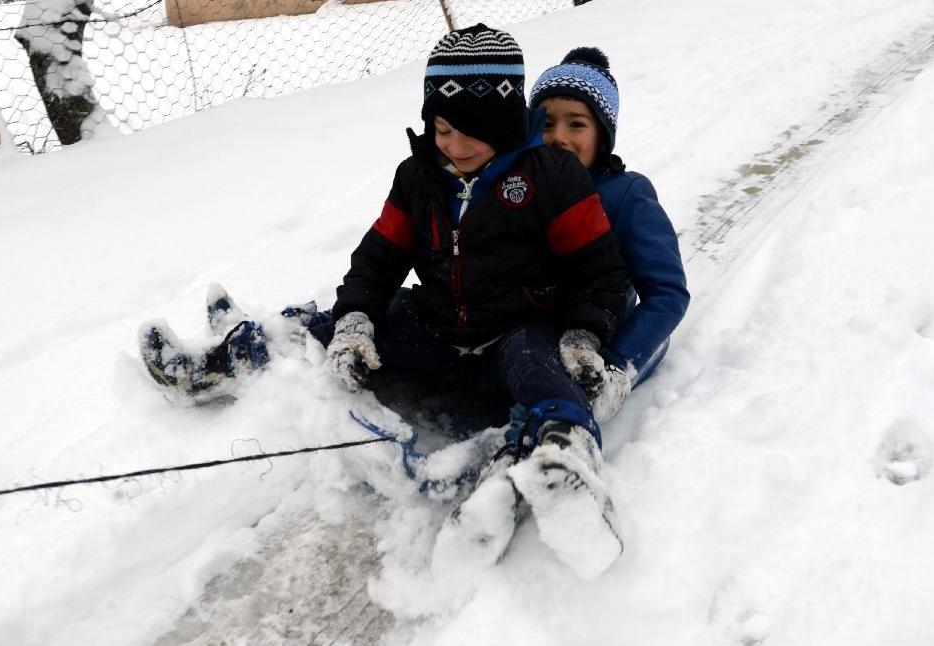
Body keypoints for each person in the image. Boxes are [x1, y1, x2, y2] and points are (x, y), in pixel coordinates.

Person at [141, 25, 629, 576]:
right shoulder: (418, 177)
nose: (454, 145)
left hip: (514, 335)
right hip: (438, 328)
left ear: (503, 124)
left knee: (541, 369)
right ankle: (229, 361)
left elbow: (599, 273)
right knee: (338, 320)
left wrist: (583, 334)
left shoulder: (551, 176)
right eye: (441, 129)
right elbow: (378, 258)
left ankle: (565, 458)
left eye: (469, 132)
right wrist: (355, 322)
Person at [527, 47, 690, 422]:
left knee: (562, 399)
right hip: (537, 334)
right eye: (546, 123)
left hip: (608, 339)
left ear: (603, 135)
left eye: (577, 124)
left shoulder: (624, 194)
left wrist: (618, 362)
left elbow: (666, 293)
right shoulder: (521, 188)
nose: (558, 137)